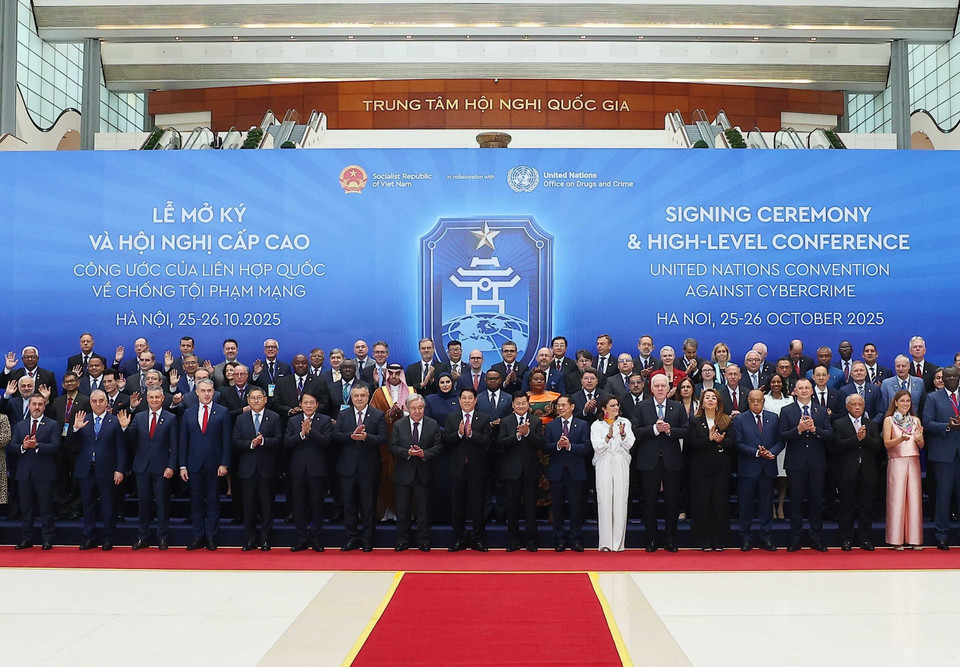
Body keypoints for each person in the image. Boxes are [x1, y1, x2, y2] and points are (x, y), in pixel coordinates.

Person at [635, 374, 689, 552]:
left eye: (663, 386)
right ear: (651, 388)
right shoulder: (641, 407)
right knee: (649, 502)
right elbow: (636, 431)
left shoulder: (678, 407)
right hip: (648, 461)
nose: (659, 389)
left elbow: (686, 431)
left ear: (668, 388)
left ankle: (671, 539)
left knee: (672, 502)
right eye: (656, 386)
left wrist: (670, 430)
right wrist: (654, 430)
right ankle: (651, 539)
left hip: (671, 461)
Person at [779, 378, 833, 551]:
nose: (803, 391)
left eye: (806, 388)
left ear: (812, 391)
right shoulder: (787, 411)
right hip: (795, 464)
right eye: (800, 388)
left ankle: (816, 538)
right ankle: (795, 538)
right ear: (795, 391)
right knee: (795, 502)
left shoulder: (821, 411)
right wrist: (799, 430)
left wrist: (814, 430)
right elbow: (782, 436)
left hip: (817, 464)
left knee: (816, 502)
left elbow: (829, 435)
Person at [122, 386, 176, 550]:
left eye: (157, 397)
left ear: (162, 398)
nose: (154, 400)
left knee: (162, 503)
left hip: (162, 467)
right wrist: (124, 427)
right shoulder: (138, 417)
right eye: (151, 397)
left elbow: (174, 445)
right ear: (147, 399)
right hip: (142, 467)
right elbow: (130, 440)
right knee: (143, 504)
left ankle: (162, 537)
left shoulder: (171, 418)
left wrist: (171, 465)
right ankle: (142, 537)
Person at [179, 378, 230, 550]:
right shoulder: (189, 413)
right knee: (197, 502)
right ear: (197, 392)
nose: (207, 394)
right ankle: (198, 536)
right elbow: (183, 441)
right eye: (203, 391)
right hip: (193, 465)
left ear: (214, 392)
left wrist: (224, 464)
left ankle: (211, 537)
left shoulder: (222, 412)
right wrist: (182, 465)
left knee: (214, 502)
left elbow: (226, 441)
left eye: (209, 391)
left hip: (215, 466)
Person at [335, 384, 387, 552]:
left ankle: (367, 539)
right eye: (356, 395)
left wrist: (366, 437)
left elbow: (383, 438)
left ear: (368, 396)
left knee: (368, 504)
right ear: (351, 397)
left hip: (369, 467)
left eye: (362, 395)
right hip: (347, 467)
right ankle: (351, 538)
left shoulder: (377, 415)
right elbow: (335, 436)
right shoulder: (343, 415)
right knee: (349, 504)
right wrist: (351, 436)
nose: (359, 398)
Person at [71, 390, 126, 550]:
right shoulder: (83, 420)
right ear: (90, 403)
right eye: (94, 401)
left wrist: (120, 469)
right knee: (87, 504)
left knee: (107, 505)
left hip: (107, 470)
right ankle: (89, 537)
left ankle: (108, 538)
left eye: (101, 400)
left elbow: (121, 448)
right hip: (86, 470)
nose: (98, 404)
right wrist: (75, 429)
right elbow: (69, 444)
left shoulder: (114, 421)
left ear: (106, 402)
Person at [830, 393, 882, 551]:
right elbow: (837, 445)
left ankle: (865, 538)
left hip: (867, 472)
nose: (857, 407)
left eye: (860, 404)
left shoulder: (871, 424)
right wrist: (857, 439)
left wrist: (864, 439)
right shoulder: (839, 423)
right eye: (854, 404)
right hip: (847, 472)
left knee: (866, 507)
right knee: (846, 507)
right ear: (847, 407)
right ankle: (846, 538)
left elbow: (877, 447)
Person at [443, 388, 493, 552]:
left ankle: (478, 539)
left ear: (475, 400)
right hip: (457, 469)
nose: (466, 401)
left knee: (478, 505)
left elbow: (487, 441)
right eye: (463, 398)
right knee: (457, 505)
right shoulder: (452, 418)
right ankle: (459, 539)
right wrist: (458, 433)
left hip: (477, 469)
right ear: (459, 401)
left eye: (469, 398)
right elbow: (445, 441)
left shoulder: (484, 418)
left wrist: (472, 435)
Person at [232, 386, 282, 551]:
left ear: (265, 399)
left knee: (267, 506)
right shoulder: (241, 419)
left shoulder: (274, 417)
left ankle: (266, 539)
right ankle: (250, 539)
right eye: (252, 398)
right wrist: (251, 444)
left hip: (267, 470)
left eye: (259, 397)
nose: (256, 400)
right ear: (248, 401)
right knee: (249, 506)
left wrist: (264, 441)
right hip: (247, 470)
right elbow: (235, 442)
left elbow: (279, 441)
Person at [390, 395, 442, 551]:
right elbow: (393, 447)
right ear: (407, 408)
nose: (417, 411)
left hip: (424, 473)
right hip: (403, 474)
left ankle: (424, 540)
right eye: (413, 408)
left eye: (420, 407)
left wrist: (423, 454)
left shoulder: (433, 424)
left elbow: (438, 447)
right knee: (403, 509)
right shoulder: (399, 425)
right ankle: (402, 540)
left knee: (423, 510)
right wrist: (407, 452)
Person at [9, 393, 60, 549]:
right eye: (34, 404)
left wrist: (37, 445)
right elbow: (12, 446)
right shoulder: (20, 425)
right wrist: (23, 447)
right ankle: (26, 538)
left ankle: (47, 539)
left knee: (46, 508)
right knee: (26, 508)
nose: (37, 407)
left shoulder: (52, 424)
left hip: (45, 473)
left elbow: (56, 446)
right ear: (29, 406)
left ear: (44, 406)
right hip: (25, 474)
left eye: (40, 404)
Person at [285, 392, 333, 552]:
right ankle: (301, 538)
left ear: (317, 404)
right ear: (301, 404)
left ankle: (316, 538)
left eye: (312, 402)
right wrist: (301, 434)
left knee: (317, 505)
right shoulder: (293, 421)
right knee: (298, 506)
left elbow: (327, 442)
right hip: (298, 470)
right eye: (305, 403)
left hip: (317, 470)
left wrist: (311, 432)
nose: (309, 405)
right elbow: (287, 443)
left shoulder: (325, 420)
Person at [496, 392, 545, 551]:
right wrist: (517, 436)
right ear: (513, 405)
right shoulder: (505, 422)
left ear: (528, 404)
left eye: (524, 403)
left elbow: (541, 444)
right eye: (518, 403)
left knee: (530, 507)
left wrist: (528, 434)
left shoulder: (536, 421)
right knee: (512, 507)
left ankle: (531, 541)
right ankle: (513, 541)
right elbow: (500, 444)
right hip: (511, 470)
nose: (521, 406)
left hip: (530, 470)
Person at [734, 389, 781, 551]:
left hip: (767, 469)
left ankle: (766, 537)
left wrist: (771, 452)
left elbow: (780, 441)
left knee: (766, 505)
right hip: (748, 469)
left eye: (759, 400)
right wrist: (756, 452)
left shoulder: (773, 418)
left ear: (763, 401)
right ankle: (745, 538)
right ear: (748, 401)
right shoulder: (740, 419)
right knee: (745, 505)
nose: (756, 403)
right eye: (752, 400)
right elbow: (737, 443)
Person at [687, 388, 734, 551]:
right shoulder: (695, 421)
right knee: (703, 504)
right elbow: (691, 444)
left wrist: (721, 441)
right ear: (702, 402)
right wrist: (708, 439)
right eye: (707, 397)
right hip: (701, 469)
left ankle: (719, 541)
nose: (710, 400)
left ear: (718, 402)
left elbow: (733, 444)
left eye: (713, 398)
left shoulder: (726, 420)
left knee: (720, 504)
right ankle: (704, 541)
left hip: (721, 468)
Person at [370, 363, 416, 522]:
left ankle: (404, 513)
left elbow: (417, 413)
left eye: (398, 373)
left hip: (406, 442)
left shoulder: (411, 391)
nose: (395, 377)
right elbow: (372, 416)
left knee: (405, 478)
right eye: (391, 374)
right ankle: (385, 513)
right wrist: (388, 415)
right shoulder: (379, 392)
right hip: (385, 443)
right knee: (386, 476)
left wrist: (401, 413)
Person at [923, 365, 960, 550]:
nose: (951, 379)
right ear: (942, 379)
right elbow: (927, 423)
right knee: (943, 497)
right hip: (943, 454)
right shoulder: (932, 397)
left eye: (954, 376)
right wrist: (947, 426)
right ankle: (941, 535)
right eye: (948, 377)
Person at [590, 394, 634, 552]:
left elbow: (629, 444)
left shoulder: (625, 423)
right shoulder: (596, 425)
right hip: (604, 462)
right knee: (605, 500)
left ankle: (618, 543)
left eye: (617, 405)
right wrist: (608, 436)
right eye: (613, 405)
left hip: (621, 462)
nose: (616, 408)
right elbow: (597, 446)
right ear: (604, 408)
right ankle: (606, 543)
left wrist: (622, 434)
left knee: (621, 499)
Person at [884, 390, 925, 550]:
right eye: (902, 401)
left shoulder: (915, 420)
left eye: (908, 401)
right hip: (896, 461)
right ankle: (896, 539)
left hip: (913, 461)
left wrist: (919, 438)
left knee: (914, 500)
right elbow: (887, 443)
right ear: (895, 402)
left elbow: (921, 445)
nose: (905, 404)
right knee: (897, 500)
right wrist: (900, 439)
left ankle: (915, 539)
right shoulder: (889, 420)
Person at [764, 373, 794, 519]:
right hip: (768, 441)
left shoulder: (790, 399)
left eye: (778, 382)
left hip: (785, 441)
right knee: (769, 476)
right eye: (773, 381)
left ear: (782, 384)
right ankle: (770, 507)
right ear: (769, 383)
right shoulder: (764, 399)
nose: (776, 384)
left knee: (783, 476)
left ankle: (780, 505)